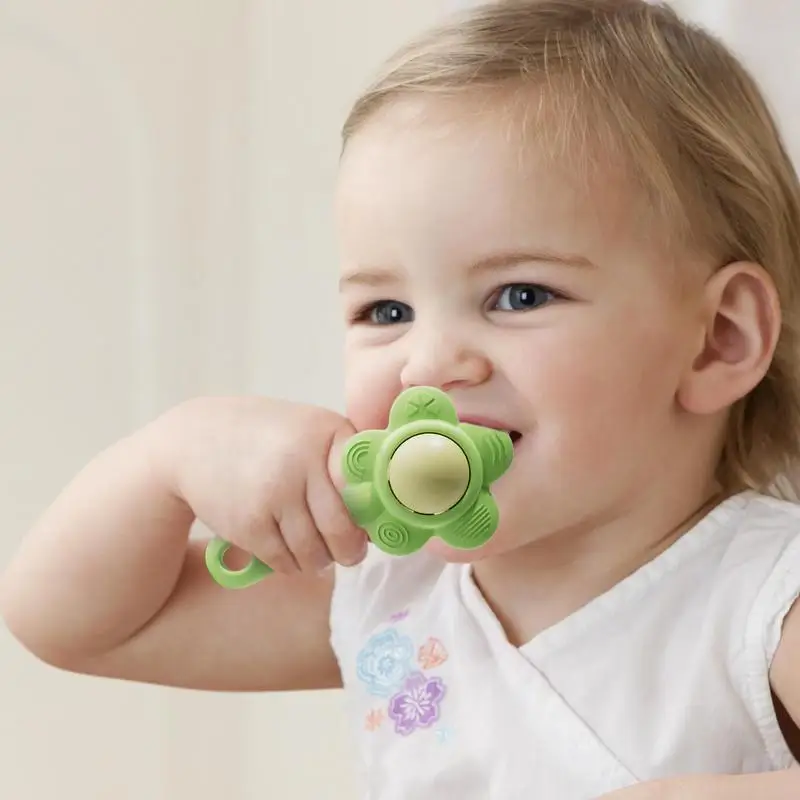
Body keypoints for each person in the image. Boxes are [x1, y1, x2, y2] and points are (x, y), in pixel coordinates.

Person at [3, 1, 800, 797]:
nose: (429, 363)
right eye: (386, 313)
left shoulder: (763, 595)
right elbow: (72, 623)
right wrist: (171, 454)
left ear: (717, 338)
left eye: (519, 295)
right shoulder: (392, 587)